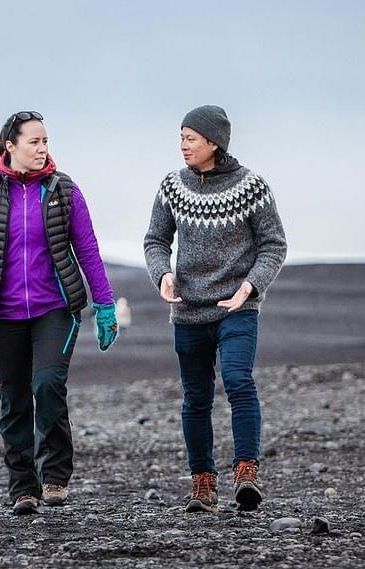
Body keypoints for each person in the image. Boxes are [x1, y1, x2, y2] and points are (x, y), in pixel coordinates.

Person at [0, 111, 118, 516]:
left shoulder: (64, 190)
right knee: (13, 399)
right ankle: (23, 487)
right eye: (34, 142)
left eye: (46, 142)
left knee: (46, 384)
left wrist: (105, 304)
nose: (43, 149)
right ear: (11, 146)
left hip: (55, 309)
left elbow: (88, 249)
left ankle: (56, 476)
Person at [144, 105, 287, 514]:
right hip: (188, 310)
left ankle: (246, 473)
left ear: (214, 142)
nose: (183, 145)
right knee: (196, 398)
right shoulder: (172, 185)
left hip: (236, 308)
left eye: (191, 138)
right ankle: (203, 483)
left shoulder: (251, 186)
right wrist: (162, 275)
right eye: (181, 137)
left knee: (239, 380)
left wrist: (251, 286)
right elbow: (155, 239)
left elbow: (274, 244)